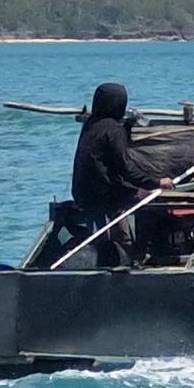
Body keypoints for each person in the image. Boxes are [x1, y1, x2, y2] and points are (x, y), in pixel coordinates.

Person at [71, 83, 173, 263]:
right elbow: (127, 170)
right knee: (149, 202)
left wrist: (126, 127)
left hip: (82, 192)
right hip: (106, 194)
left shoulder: (90, 124)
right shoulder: (113, 129)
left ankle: (117, 249)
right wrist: (157, 183)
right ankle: (139, 254)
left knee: (117, 213)